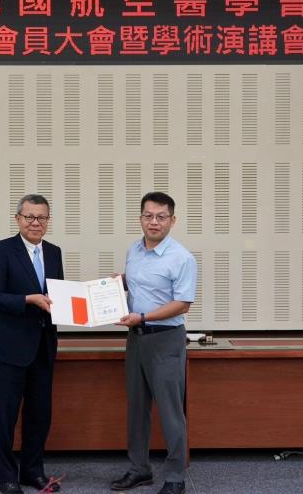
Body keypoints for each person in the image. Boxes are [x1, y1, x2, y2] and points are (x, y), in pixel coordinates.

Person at [110, 192, 197, 494]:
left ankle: (175, 477)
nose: (154, 222)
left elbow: (183, 304)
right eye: (148, 216)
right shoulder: (134, 250)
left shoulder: (182, 258)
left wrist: (143, 317)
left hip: (166, 340)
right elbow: (140, 281)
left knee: (171, 411)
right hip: (136, 339)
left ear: (172, 220)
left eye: (161, 216)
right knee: (137, 409)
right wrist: (119, 282)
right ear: (140, 218)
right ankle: (139, 470)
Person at [0, 194, 64, 494]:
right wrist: (27, 300)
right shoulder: (2, 250)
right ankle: (7, 476)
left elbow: (58, 296)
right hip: (11, 348)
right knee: (5, 416)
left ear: (48, 221)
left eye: (41, 217)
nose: (35, 223)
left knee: (39, 415)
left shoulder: (54, 252)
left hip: (44, 347)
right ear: (18, 219)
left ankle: (32, 471)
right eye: (29, 217)